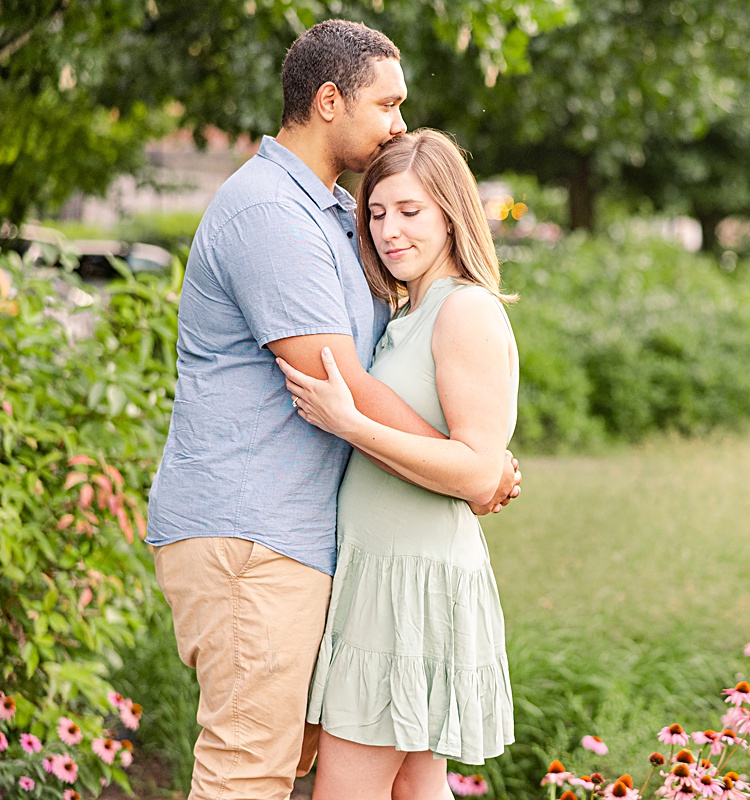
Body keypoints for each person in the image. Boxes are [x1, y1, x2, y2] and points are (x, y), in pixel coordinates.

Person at [145, 21, 519, 800]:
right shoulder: (270, 216)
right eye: (387, 105)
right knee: (248, 767)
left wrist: (471, 461)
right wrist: (474, 472)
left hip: (307, 541)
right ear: (328, 101)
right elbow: (341, 382)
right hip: (251, 533)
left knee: (381, 775)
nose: (398, 125)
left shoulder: (326, 212)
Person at [277, 128, 518, 800]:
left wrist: (351, 425)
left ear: (451, 213)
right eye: (377, 213)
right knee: (414, 787)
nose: (389, 231)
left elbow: (475, 471)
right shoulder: (408, 313)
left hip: (410, 585)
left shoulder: (464, 310)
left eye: (410, 212)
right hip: (384, 576)